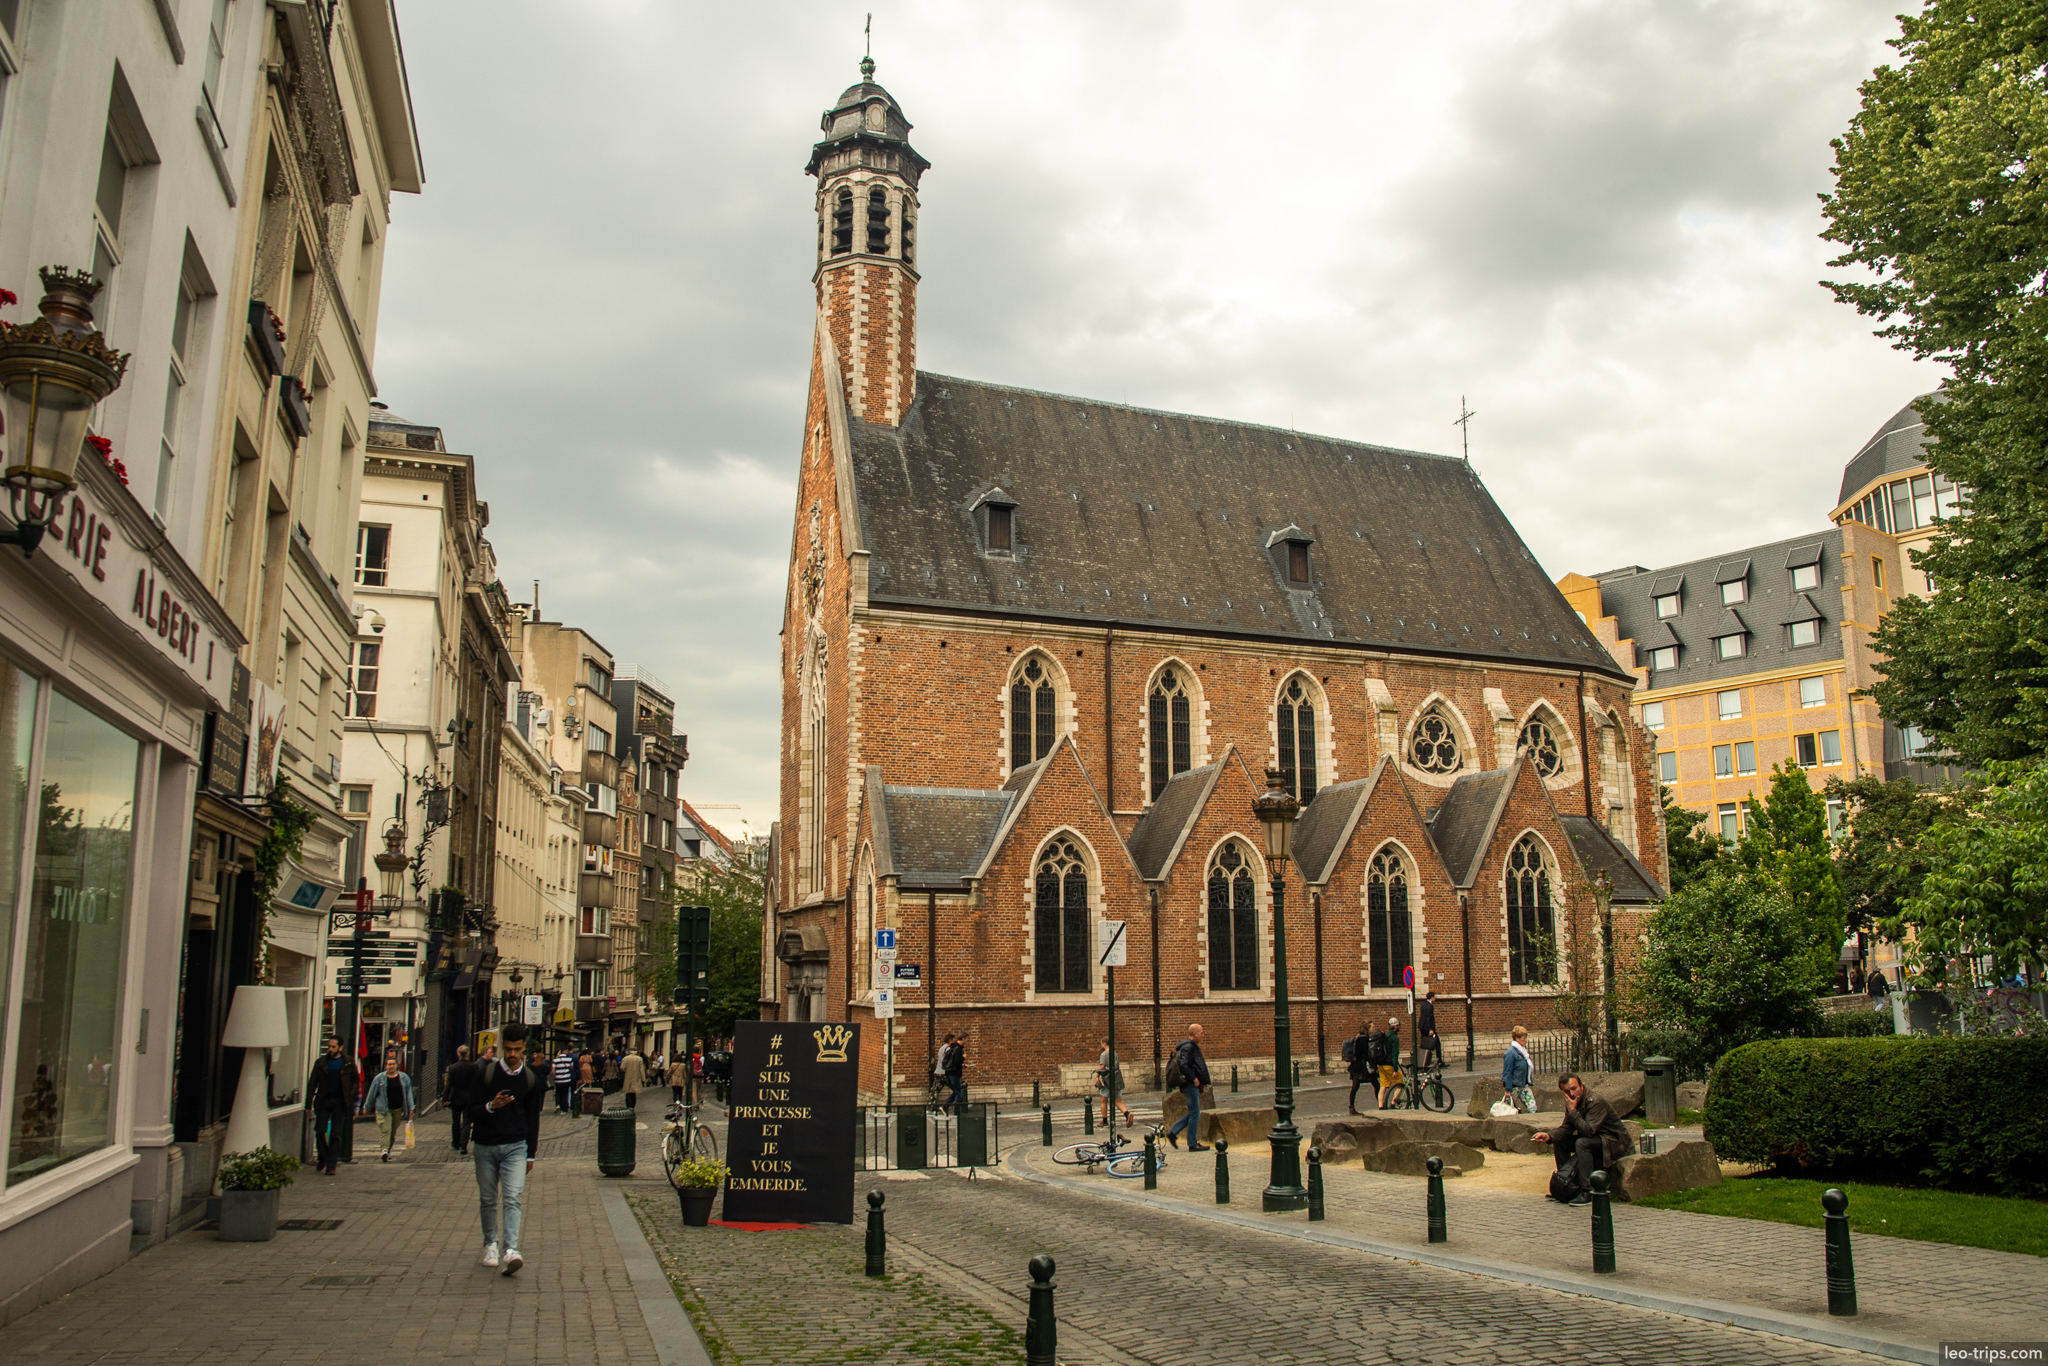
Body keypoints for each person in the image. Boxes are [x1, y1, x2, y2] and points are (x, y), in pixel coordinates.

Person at [467, 1021, 546, 1275]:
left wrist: (531, 1153)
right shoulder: (485, 1074)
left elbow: (533, 1118)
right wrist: (492, 1106)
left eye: (517, 1049)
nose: (512, 1055)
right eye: (508, 1049)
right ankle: (490, 1243)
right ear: (501, 1047)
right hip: (485, 1145)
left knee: (512, 1197)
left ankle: (511, 1249)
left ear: (525, 1049)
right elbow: (470, 1112)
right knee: (488, 1198)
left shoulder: (531, 1078)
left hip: (516, 1146)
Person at [1532, 1073, 1633, 1206]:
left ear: (1581, 1086)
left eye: (1574, 1088)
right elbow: (1566, 1128)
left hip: (1615, 1143)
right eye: (1567, 1091)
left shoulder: (1595, 1101)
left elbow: (1589, 1131)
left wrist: (1573, 1111)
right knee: (1560, 1142)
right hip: (1597, 1139)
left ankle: (1587, 1191)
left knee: (1582, 1143)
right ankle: (1565, 1184)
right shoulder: (1572, 1103)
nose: (1572, 1093)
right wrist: (1549, 1136)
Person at [305, 1037, 359, 1175]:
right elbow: (312, 1084)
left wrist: (351, 1096)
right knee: (320, 1130)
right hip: (323, 1100)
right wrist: (308, 1104)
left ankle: (331, 1164)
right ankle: (323, 1157)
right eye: (329, 1046)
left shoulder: (347, 1062)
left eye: (333, 1047)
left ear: (340, 1048)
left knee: (336, 1134)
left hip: (339, 1102)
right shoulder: (321, 1062)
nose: (330, 1049)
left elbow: (355, 1081)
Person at [1163, 1023, 1212, 1151]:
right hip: (1190, 1084)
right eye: (1201, 1032)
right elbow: (1184, 1065)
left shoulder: (1189, 1046)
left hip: (1190, 1084)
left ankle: (1174, 1132)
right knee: (1195, 1113)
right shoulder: (1189, 1047)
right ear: (1194, 1034)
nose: (1203, 1035)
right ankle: (1191, 1143)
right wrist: (1194, 1079)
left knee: (1193, 1112)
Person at [360, 1056, 415, 1163]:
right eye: (389, 1064)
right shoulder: (379, 1079)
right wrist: (366, 1107)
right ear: (386, 1066)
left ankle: (387, 1151)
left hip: (397, 1109)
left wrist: (411, 1107)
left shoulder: (404, 1078)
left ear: (397, 1065)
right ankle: (384, 1151)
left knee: (393, 1132)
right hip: (383, 1109)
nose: (391, 1066)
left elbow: (409, 1094)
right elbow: (372, 1093)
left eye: (393, 1064)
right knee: (386, 1130)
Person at [445, 1046, 478, 1155]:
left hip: (456, 1097)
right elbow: (477, 1083)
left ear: (458, 1054)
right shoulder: (474, 1067)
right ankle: (464, 1145)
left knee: (455, 1121)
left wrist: (445, 1098)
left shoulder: (453, 1068)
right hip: (469, 1097)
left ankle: (456, 1143)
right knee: (467, 1121)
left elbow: (449, 1084)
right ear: (467, 1054)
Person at [1094, 1039, 1134, 1129]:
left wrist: (1096, 1076)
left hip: (1108, 1081)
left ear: (1104, 1044)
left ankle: (1104, 1121)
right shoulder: (1115, 1053)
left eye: (1101, 1044)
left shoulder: (1104, 1054)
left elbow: (1102, 1066)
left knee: (1103, 1100)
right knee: (1118, 1101)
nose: (1101, 1046)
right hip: (1117, 1079)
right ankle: (1127, 1114)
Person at [1501, 1025, 1537, 1113]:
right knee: (1508, 1110)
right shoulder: (1511, 1053)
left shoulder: (1522, 1052)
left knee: (1533, 1108)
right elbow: (1507, 1072)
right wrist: (1508, 1089)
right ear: (1517, 1038)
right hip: (1514, 1087)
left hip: (1523, 1085)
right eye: (1523, 1038)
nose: (1526, 1040)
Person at [1344, 1020, 1374, 1115]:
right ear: (1368, 1029)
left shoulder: (1357, 1038)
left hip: (1355, 1066)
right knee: (1376, 1084)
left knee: (1355, 1087)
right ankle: (1382, 1105)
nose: (1374, 1029)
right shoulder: (1365, 1040)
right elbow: (1366, 1055)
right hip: (1362, 1067)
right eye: (1372, 1027)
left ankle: (1351, 1107)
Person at [1375, 1016, 1402, 1109]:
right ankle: (1393, 1104)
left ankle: (1381, 1106)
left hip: (1381, 1065)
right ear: (1395, 1027)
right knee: (1400, 1084)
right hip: (1389, 1065)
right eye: (1398, 1026)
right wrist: (1395, 1068)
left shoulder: (1385, 1036)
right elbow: (1395, 1054)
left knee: (1383, 1086)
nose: (1399, 1027)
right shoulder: (1394, 1038)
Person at [940, 1033, 967, 1114]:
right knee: (959, 1093)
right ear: (963, 1039)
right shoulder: (958, 1049)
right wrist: (963, 1058)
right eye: (966, 1039)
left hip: (948, 1072)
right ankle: (956, 1113)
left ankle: (945, 1106)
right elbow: (956, 1061)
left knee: (956, 1091)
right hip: (954, 1073)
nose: (967, 1041)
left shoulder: (952, 1047)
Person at [1417, 990, 1441, 1069]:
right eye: (1434, 997)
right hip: (1428, 1027)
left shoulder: (1423, 1004)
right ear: (1432, 998)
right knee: (1437, 1043)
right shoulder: (1430, 1006)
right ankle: (1439, 1061)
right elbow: (1428, 1018)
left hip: (1422, 1027)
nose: (1435, 999)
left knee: (1424, 1044)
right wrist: (1430, 1029)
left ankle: (1421, 1061)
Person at [551, 1048, 576, 1114]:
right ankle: (564, 1108)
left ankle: (558, 1105)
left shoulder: (555, 1060)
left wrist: (555, 1077)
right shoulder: (569, 1059)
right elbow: (572, 1067)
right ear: (565, 1051)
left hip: (558, 1080)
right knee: (565, 1094)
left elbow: (553, 1070)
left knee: (558, 1093)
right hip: (566, 1079)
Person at [620, 1046, 645, 1111]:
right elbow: (641, 1070)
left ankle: (628, 1106)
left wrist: (626, 1070)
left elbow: (622, 1068)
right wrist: (643, 1079)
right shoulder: (639, 1059)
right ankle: (632, 1106)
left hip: (628, 1077)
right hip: (636, 1077)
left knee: (628, 1092)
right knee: (634, 1093)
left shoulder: (625, 1059)